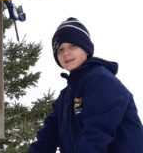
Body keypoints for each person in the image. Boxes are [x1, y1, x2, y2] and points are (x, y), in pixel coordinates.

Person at [28, 17, 143, 153]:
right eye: (60, 49)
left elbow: (97, 133)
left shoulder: (101, 80)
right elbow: (46, 139)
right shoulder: (65, 96)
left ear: (86, 49)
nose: (66, 53)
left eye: (73, 46)